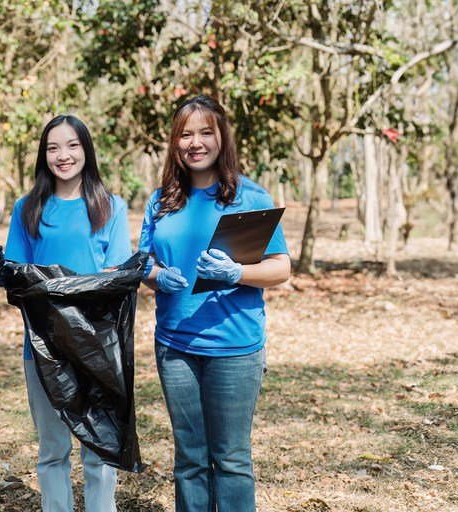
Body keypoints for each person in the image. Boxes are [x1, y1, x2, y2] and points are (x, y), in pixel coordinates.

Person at [138, 95, 290, 511]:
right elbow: (143, 263)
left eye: (206, 132)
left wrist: (236, 273)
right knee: (189, 459)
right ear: (174, 143)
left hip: (234, 349)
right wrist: (156, 276)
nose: (196, 142)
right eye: (186, 134)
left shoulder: (250, 197)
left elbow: (281, 268)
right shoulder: (162, 200)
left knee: (231, 460)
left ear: (222, 137)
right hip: (175, 346)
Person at [5, 115, 132, 512]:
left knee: (99, 449)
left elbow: (119, 275)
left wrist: (66, 286)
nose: (64, 155)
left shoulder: (111, 206)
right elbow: (13, 274)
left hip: (97, 348)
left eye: (73, 145)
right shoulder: (28, 209)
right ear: (44, 156)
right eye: (53, 147)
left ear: (86, 150)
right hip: (43, 348)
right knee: (52, 450)